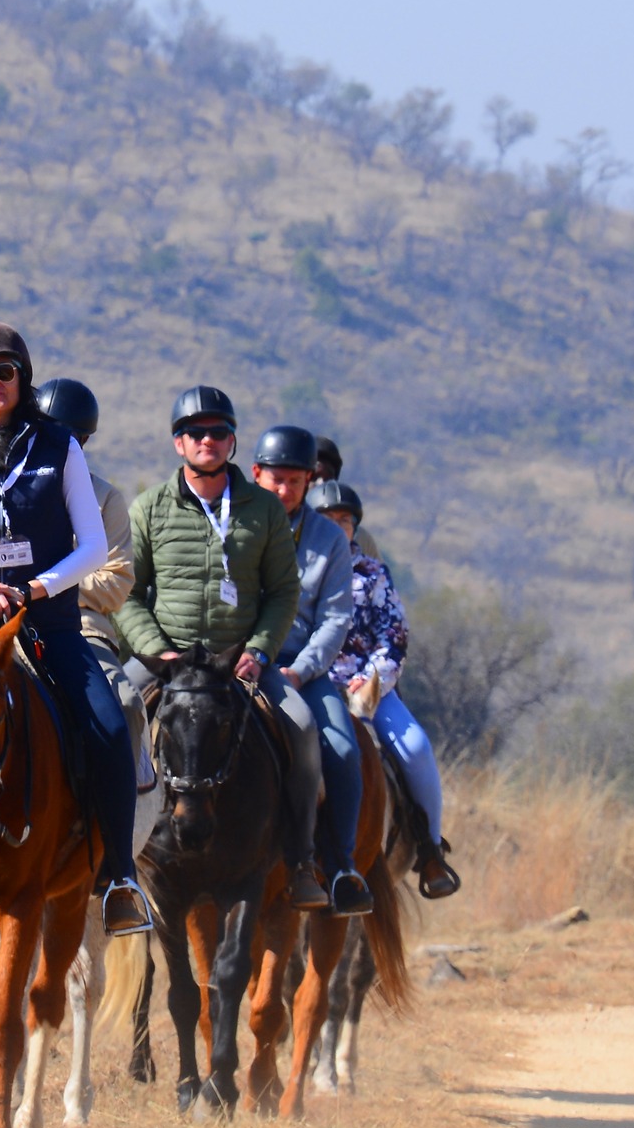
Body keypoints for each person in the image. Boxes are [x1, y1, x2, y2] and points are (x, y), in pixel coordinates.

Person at [0, 335, 151, 938]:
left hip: (47, 624)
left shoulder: (60, 449)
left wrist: (33, 590)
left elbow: (90, 548)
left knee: (109, 724)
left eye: (1, 371)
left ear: (22, 377)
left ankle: (117, 875)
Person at [113, 386, 331, 910]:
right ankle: (109, 862)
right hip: (167, 662)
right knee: (111, 713)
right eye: (194, 432)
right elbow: (126, 593)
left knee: (301, 728)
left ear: (232, 442)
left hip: (239, 663)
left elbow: (283, 592)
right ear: (178, 444)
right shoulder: (148, 509)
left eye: (217, 432)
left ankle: (301, 861)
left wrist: (258, 649)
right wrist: (155, 652)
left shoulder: (264, 510)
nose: (205, 440)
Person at [312, 481, 460, 899]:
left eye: (345, 521)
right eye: (328, 520)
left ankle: (430, 850)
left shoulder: (372, 574)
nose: (338, 527)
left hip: (367, 688)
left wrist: (374, 676)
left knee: (414, 747)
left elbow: (393, 635)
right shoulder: (291, 569)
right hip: (309, 682)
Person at [252, 426, 370, 917]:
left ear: (309, 483)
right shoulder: (234, 521)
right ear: (256, 474)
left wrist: (300, 672)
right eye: (276, 480)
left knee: (342, 746)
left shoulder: (328, 539)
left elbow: (337, 618)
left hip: (303, 667)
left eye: (295, 482)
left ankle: (339, 864)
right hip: (238, 660)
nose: (284, 491)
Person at [34, 376, 150, 787]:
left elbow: (116, 582)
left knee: (127, 702)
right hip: (6, 625)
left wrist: (45, 585)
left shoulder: (106, 499)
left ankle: (121, 819)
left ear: (84, 441)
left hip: (83, 631)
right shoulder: (6, 486)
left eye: (74, 438)